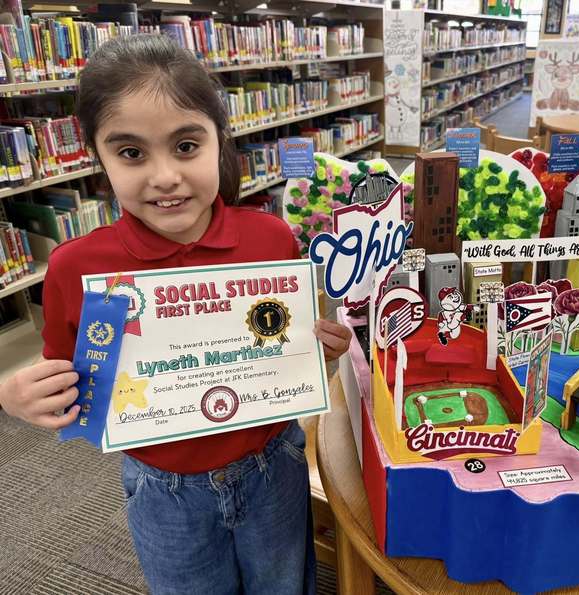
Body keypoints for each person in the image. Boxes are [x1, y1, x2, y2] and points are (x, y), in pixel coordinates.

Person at [0, 34, 352, 594]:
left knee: (285, 584)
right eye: (132, 153)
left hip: (272, 464)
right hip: (165, 488)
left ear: (220, 143)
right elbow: (73, 382)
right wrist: (25, 398)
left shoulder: (272, 238)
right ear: (99, 156)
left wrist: (321, 349)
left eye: (186, 146)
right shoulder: (77, 268)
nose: (164, 176)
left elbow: (283, 340)